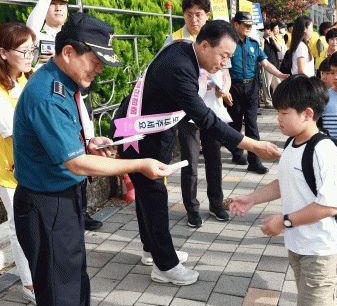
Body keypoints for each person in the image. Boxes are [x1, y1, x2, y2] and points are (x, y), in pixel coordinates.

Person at [13, 12, 170, 306]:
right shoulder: (48, 94)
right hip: (46, 203)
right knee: (58, 285)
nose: (99, 69)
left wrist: (88, 143)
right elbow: (76, 164)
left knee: (72, 274)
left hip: (63, 197)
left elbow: (62, 146)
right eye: (95, 60)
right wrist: (138, 164)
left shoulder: (64, 83)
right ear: (68, 52)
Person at [113, 20, 282, 287]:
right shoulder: (180, 66)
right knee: (154, 195)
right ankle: (165, 266)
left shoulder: (186, 52)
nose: (225, 63)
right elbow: (206, 118)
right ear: (204, 45)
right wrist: (253, 145)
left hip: (151, 134)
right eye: (223, 56)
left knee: (149, 194)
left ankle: (152, 250)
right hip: (139, 138)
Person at [229, 75, 337, 306]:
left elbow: (330, 206)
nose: (278, 119)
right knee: (319, 302)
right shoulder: (292, 143)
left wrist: (284, 222)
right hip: (299, 245)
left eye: (284, 113)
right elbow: (285, 182)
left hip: (321, 249)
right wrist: (252, 198)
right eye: (278, 112)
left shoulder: (324, 151)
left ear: (308, 114)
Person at [27, 0, 102, 231]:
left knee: (83, 150)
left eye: (63, 4)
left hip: (78, 103)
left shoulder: (74, 36)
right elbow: (30, 32)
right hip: (54, 105)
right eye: (53, 3)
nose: (58, 8)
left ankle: (83, 211)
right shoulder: (39, 36)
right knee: (66, 158)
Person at [0, 23, 36, 304]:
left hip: (27, 165)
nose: (30, 56)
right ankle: (29, 283)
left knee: (32, 222)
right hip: (8, 168)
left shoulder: (21, 76)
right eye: (24, 51)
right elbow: (15, 134)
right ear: (3, 53)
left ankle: (39, 272)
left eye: (32, 49)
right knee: (20, 225)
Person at [164, 0, 231, 229]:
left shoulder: (217, 38)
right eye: (189, 15)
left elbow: (226, 71)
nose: (194, 20)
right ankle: (191, 208)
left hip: (212, 109)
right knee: (189, 161)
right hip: (187, 112)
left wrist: (225, 89)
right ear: (183, 15)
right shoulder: (174, 40)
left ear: (207, 15)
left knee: (215, 160)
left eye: (199, 15)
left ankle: (216, 204)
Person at [227, 11, 288, 174]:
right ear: (236, 25)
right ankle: (236, 153)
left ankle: (254, 161)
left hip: (251, 88)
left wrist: (280, 74)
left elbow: (265, 63)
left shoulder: (253, 44)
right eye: (245, 24)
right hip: (234, 88)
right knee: (235, 123)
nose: (248, 27)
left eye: (250, 25)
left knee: (252, 125)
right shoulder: (228, 43)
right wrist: (224, 90)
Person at [261, 21, 282, 108]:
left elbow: (279, 49)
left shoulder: (272, 39)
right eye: (268, 30)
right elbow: (260, 51)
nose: (270, 31)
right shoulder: (261, 39)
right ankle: (268, 102)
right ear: (263, 30)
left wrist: (273, 39)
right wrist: (262, 43)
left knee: (277, 83)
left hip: (274, 64)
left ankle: (277, 100)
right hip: (266, 64)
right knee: (267, 84)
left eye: (270, 30)